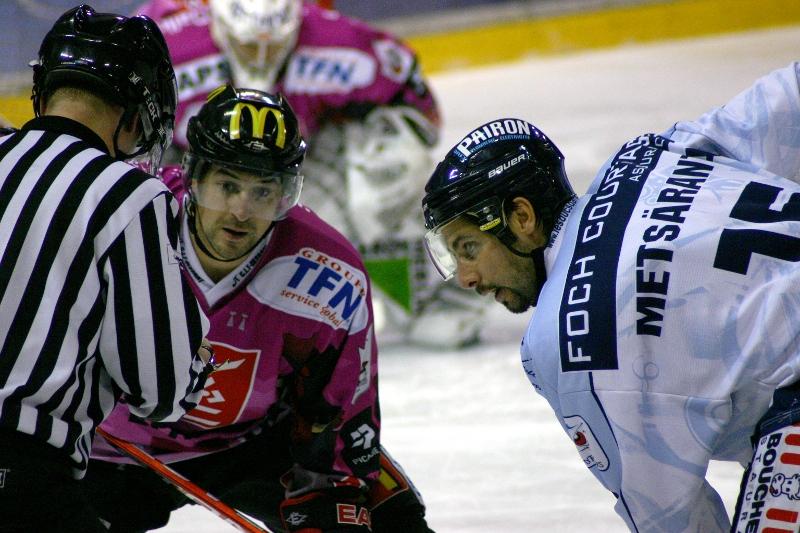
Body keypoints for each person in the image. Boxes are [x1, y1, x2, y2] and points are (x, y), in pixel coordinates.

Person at [420, 62, 800, 532]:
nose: (465, 278)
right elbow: (789, 97)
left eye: (468, 249)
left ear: (522, 217)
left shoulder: (568, 337)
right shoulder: (647, 156)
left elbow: (669, 515)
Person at [85, 84, 433, 533]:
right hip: (107, 448)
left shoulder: (328, 275)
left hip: (251, 443)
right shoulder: (119, 219)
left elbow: (338, 416)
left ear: (286, 194)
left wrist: (331, 496)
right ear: (194, 177)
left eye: (262, 192)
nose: (241, 211)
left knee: (394, 522)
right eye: (227, 186)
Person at [133, 0, 486, 349]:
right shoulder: (167, 38)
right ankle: (161, 294)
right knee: (137, 190)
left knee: (392, 162)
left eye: (274, 45)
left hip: (302, 170)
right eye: (248, 45)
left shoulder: (343, 43)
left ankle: (427, 293)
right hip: (198, 173)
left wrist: (383, 169)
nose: (261, 56)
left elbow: (418, 112)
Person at [0, 4, 214, 532]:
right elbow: (160, 389)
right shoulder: (129, 196)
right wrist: (195, 363)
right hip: (21, 477)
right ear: (136, 116)